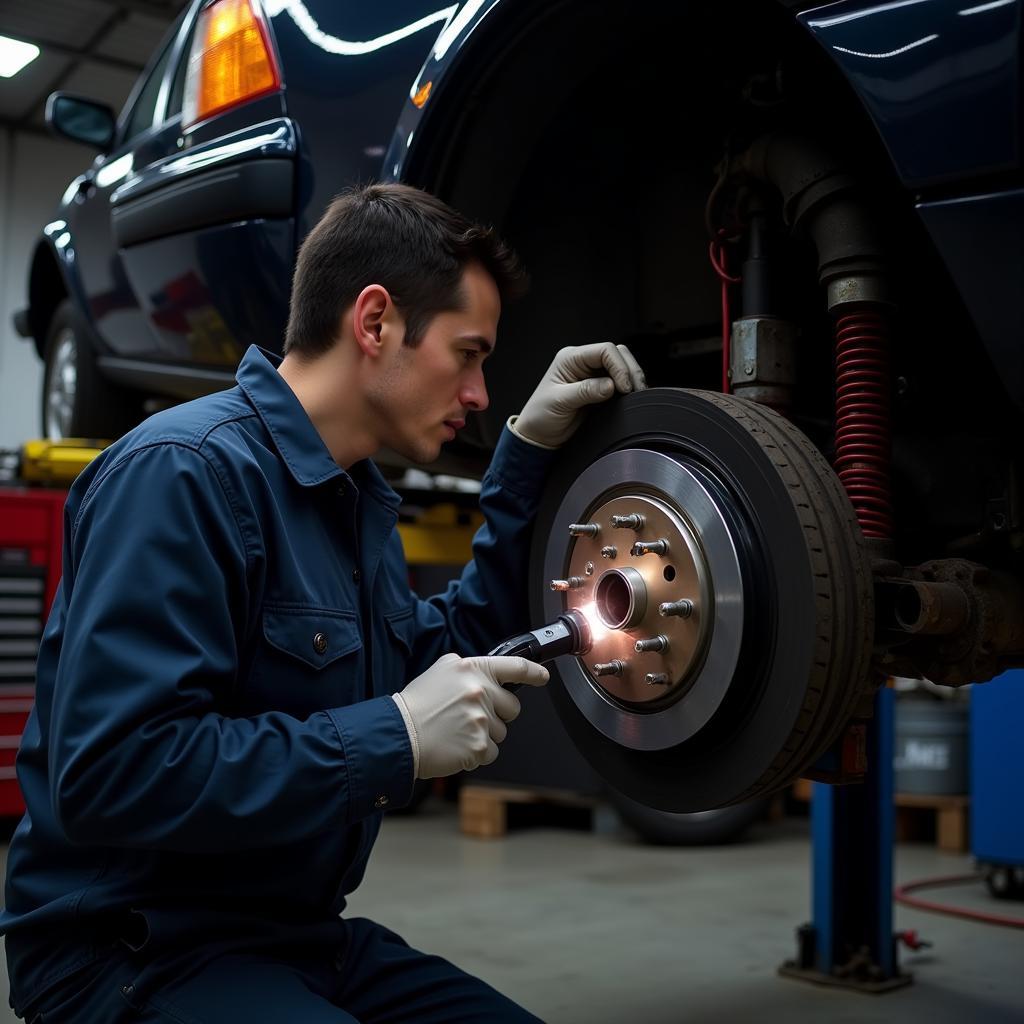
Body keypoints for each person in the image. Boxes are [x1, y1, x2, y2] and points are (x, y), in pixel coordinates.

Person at [1, 183, 645, 1023]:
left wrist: (525, 453)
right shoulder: (181, 473)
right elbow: (113, 772)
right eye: (470, 354)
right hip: (127, 953)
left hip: (293, 937)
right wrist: (397, 737)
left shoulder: (353, 501)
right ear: (375, 323)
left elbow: (437, 655)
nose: (481, 393)